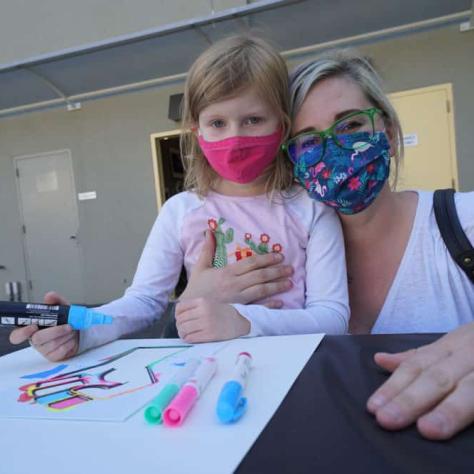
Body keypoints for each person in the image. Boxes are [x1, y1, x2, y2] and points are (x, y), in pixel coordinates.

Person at [176, 47, 474, 440]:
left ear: (385, 127)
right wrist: (186, 308)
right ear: (290, 157)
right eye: (308, 140)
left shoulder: (461, 222)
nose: (334, 149)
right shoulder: (274, 256)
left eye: (350, 125)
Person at [10, 36, 349, 361]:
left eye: (253, 120)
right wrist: (81, 330)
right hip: (206, 375)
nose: (235, 137)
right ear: (197, 132)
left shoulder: (312, 208)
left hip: (296, 370)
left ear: (282, 124)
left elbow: (332, 316)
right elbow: (144, 300)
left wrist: (243, 323)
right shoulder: (180, 211)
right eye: (217, 122)